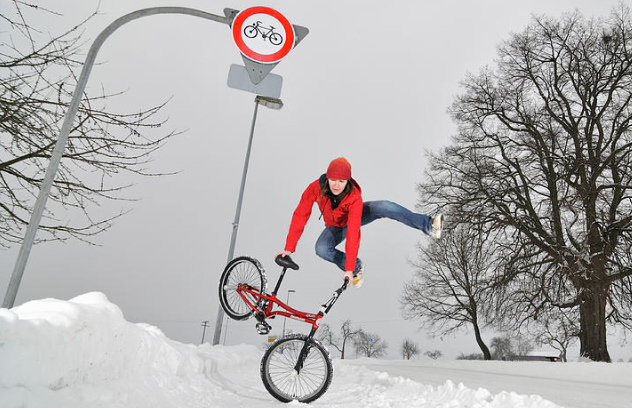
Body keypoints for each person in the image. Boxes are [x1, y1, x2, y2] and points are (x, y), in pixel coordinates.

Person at [277, 157, 443, 288]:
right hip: (335, 226)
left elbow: (353, 231)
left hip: (355, 217)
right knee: (321, 249)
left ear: (347, 181)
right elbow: (300, 214)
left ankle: (429, 224)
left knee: (384, 206)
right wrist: (288, 248)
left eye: (341, 182)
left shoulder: (354, 196)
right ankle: (357, 268)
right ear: (327, 177)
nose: (336, 185)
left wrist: (346, 268)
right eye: (333, 180)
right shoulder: (315, 188)